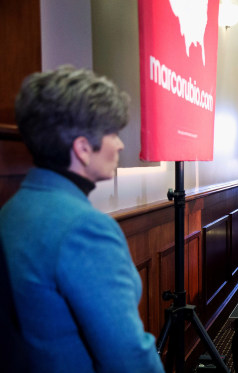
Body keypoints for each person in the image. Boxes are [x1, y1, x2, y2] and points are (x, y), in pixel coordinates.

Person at [0, 66, 164, 373]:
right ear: (83, 148)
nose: (120, 144)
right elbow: (127, 358)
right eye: (113, 133)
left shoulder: (12, 210)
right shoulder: (84, 229)